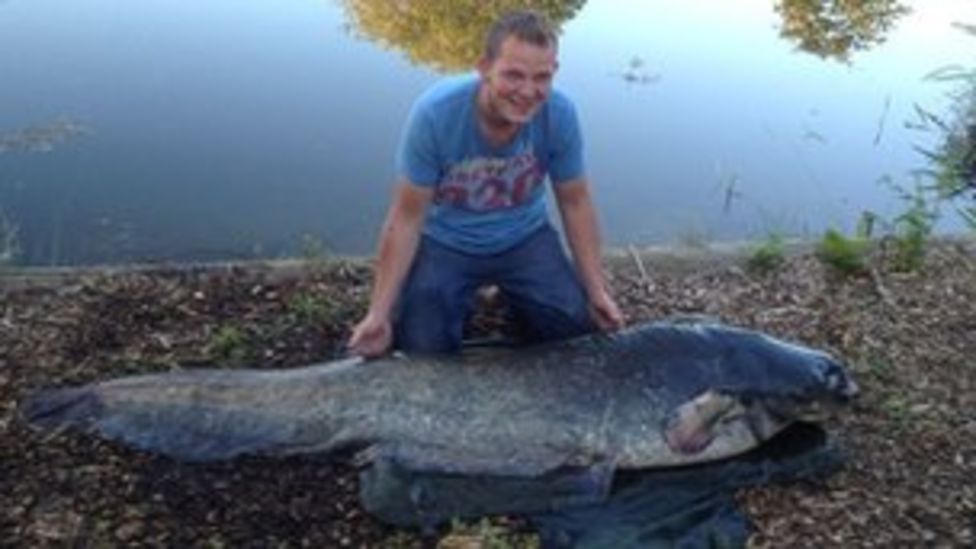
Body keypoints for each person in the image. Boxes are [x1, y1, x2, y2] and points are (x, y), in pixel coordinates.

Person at [349, 9, 623, 357]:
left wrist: (596, 291)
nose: (528, 91)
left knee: (573, 329)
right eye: (513, 75)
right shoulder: (435, 114)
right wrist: (378, 313)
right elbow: (406, 217)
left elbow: (576, 202)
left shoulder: (560, 114)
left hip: (525, 237)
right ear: (484, 69)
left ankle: (516, 307)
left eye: (541, 78)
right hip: (446, 241)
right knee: (421, 346)